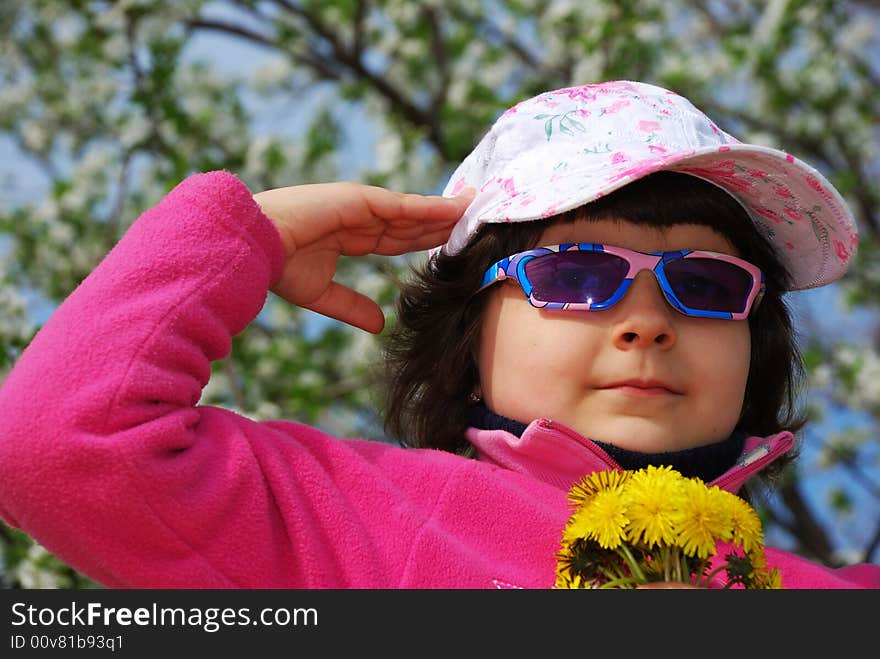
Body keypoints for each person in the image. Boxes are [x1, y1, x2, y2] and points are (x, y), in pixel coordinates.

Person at [0, 80, 877, 589]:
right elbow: (61, 444)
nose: (647, 322)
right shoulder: (349, 515)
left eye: (706, 284)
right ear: (469, 332)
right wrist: (247, 234)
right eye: (574, 276)